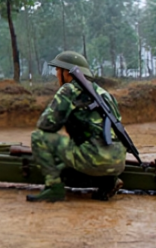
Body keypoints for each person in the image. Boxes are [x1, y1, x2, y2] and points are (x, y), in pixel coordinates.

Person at [26, 51, 127, 203]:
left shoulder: (69, 89)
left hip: (93, 158)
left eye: (57, 70)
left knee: (39, 137)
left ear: (66, 72)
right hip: (118, 161)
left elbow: (46, 125)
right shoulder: (105, 94)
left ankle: (54, 188)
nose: (56, 74)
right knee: (92, 143)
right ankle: (109, 182)